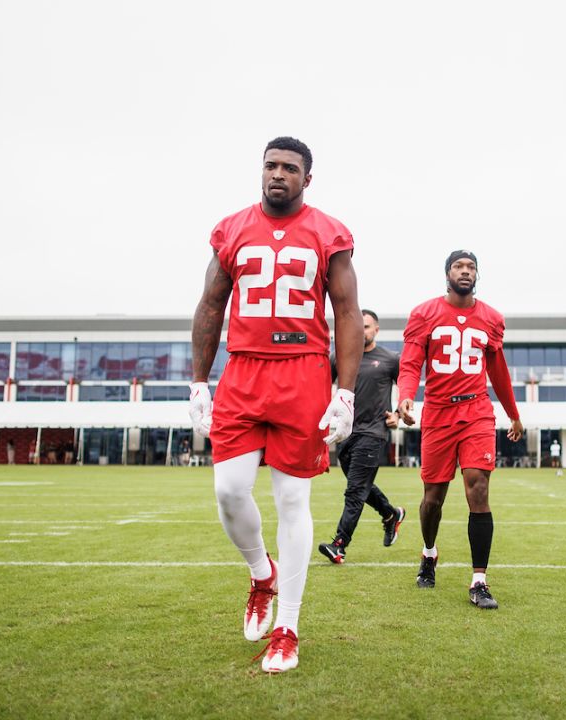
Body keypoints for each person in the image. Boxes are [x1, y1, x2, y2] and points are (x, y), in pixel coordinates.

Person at [189, 136, 362, 673]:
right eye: (270, 166)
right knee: (228, 491)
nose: (277, 174)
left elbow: (348, 311)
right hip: (243, 370)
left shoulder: (328, 232)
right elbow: (212, 304)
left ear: (307, 179)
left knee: (293, 501)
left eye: (289, 168)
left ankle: (288, 625)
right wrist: (198, 381)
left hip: (303, 370)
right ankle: (260, 571)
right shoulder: (232, 228)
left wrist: (346, 391)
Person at [397, 250, 523, 610]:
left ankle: (479, 580)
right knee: (432, 499)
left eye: (471, 268)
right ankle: (429, 553)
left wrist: (513, 413)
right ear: (447, 274)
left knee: (477, 487)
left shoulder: (491, 319)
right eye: (458, 266)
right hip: (437, 412)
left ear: (477, 275)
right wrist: (406, 396)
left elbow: (499, 372)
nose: (465, 272)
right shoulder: (425, 313)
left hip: (477, 411)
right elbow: (410, 362)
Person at [318, 309, 406, 564]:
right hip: (343, 434)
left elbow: (407, 390)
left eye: (367, 327)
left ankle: (339, 544)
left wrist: (398, 416)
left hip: (373, 433)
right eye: (359, 327)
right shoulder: (341, 358)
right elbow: (323, 387)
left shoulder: (390, 359)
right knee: (362, 487)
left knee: (355, 490)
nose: (362, 331)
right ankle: (391, 514)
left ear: (376, 329)